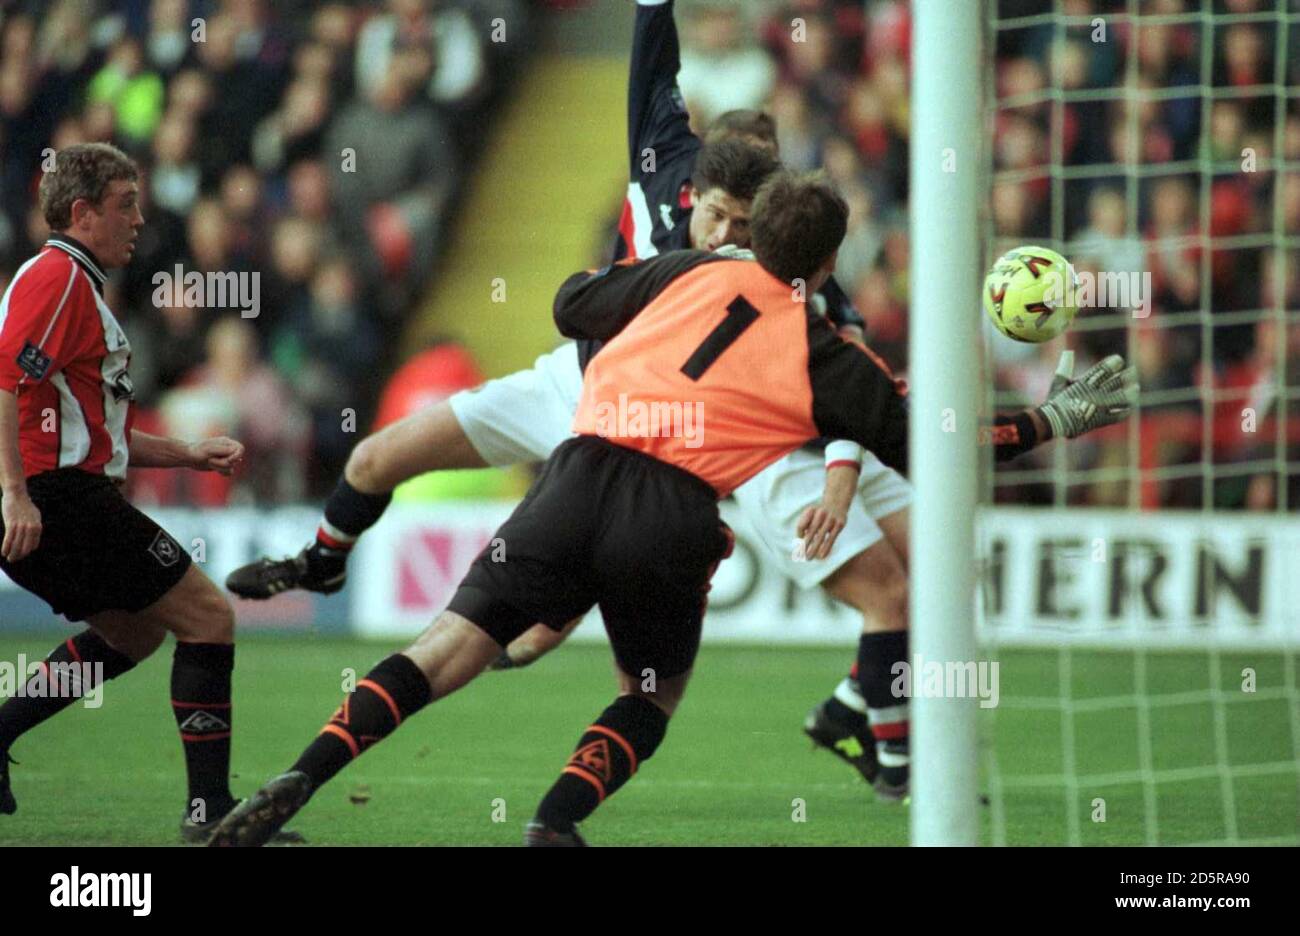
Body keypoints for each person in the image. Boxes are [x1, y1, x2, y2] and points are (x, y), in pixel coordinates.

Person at [209, 171, 1135, 847]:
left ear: (753, 232)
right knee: (647, 695)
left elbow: (573, 304)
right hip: (674, 513)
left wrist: (661, 275)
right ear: (826, 261)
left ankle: (305, 772)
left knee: (441, 652)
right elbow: (936, 437)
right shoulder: (824, 353)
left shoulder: (680, 273)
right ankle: (553, 822)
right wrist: (1051, 418)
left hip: (575, 476)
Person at [0, 142, 298, 844]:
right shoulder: (59, 280)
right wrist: (14, 493)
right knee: (207, 617)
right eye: (126, 204)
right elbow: (4, 385)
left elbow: (93, 430)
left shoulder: (70, 282)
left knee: (133, 632)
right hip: (57, 499)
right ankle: (210, 815)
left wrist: (188, 452)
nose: (139, 218)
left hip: (61, 492)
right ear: (83, 212)